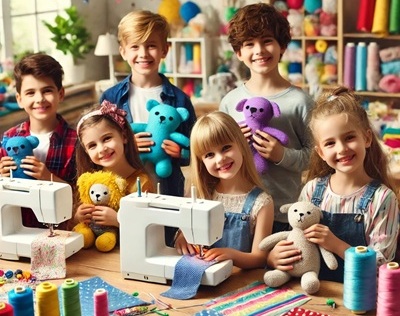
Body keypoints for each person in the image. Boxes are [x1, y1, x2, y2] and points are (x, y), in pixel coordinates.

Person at [268, 86, 399, 282]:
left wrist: (337, 246)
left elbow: (382, 266)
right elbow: (296, 241)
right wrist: (274, 258)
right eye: (330, 143)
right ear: (320, 152)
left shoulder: (382, 198)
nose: (342, 149)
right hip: (315, 295)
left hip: (358, 301)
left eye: (349, 137)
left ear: (367, 138)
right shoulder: (312, 190)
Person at [219, 3, 314, 233]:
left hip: (286, 214)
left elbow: (317, 157)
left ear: (282, 46)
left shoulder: (300, 102)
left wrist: (282, 155)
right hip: (238, 212)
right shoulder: (230, 102)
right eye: (249, 44)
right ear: (239, 53)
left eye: (267, 41)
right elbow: (216, 155)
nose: (259, 50)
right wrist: (232, 147)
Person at [100, 10, 196, 199]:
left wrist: (181, 152)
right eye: (135, 47)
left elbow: (197, 150)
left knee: (167, 229)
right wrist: (125, 147)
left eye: (151, 46)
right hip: (122, 190)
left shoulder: (180, 100)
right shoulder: (110, 98)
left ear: (164, 50)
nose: (143, 54)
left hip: (167, 190)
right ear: (123, 51)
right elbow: (98, 146)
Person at [174, 111, 274, 269]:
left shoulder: (262, 203)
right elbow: (185, 231)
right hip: (202, 276)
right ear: (201, 162)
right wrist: (181, 236)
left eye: (226, 148)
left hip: (240, 281)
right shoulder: (200, 194)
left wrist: (231, 255)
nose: (220, 159)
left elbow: (259, 258)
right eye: (209, 155)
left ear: (241, 144)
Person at [0, 53, 77, 229]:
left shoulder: (77, 141)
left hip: (62, 231)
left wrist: (48, 177)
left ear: (61, 94)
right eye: (30, 93)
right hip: (18, 228)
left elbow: (83, 195)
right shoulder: (8, 139)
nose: (39, 99)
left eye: (47, 90)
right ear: (19, 99)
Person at [73, 100, 154, 231]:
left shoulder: (141, 183)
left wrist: (118, 220)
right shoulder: (91, 183)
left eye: (107, 138)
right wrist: (78, 217)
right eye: (92, 146)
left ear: (124, 137)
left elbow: (149, 228)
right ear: (86, 152)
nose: (101, 149)